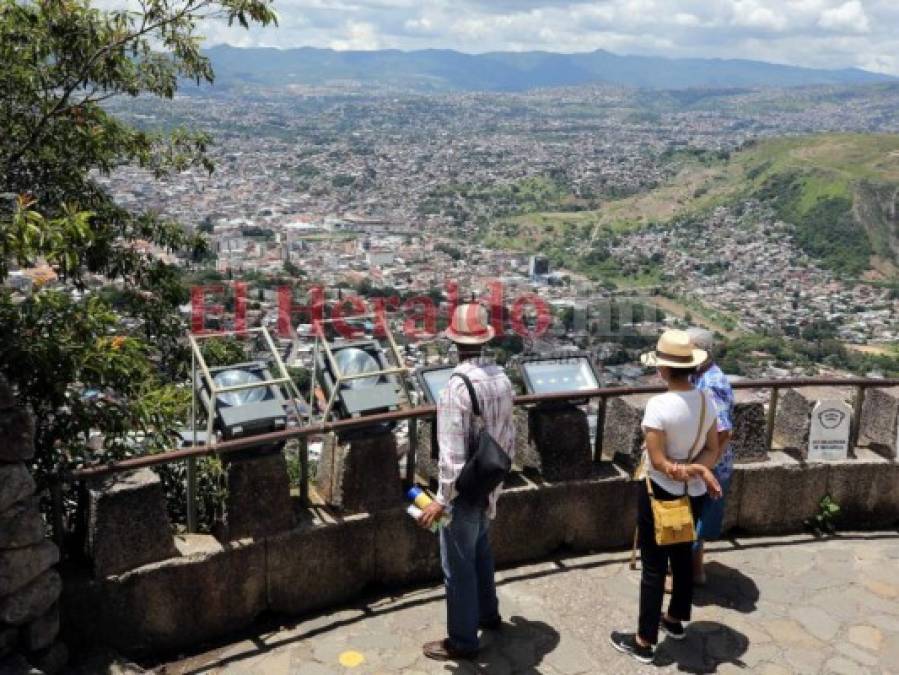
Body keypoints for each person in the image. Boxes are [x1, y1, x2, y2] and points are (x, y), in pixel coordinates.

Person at [611, 329, 723, 665]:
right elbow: (712, 449)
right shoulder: (706, 400)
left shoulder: (659, 406)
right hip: (694, 494)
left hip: (660, 492)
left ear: (662, 369)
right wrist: (700, 471)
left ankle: (644, 640)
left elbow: (659, 463)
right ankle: (674, 620)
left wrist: (682, 471)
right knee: (682, 557)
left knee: (654, 566)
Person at [418, 303, 516, 661]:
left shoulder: (455, 389)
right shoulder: (501, 378)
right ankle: (489, 615)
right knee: (481, 553)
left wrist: (441, 500)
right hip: (490, 480)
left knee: (457, 568)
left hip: (463, 490)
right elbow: (508, 435)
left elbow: (452, 457)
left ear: (454, 342)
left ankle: (462, 640)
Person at [686, 327, 735, 585]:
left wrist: (704, 466)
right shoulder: (698, 376)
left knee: (693, 521)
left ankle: (688, 574)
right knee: (695, 520)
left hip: (709, 465)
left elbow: (724, 431)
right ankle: (696, 572)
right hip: (705, 462)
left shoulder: (712, 383)